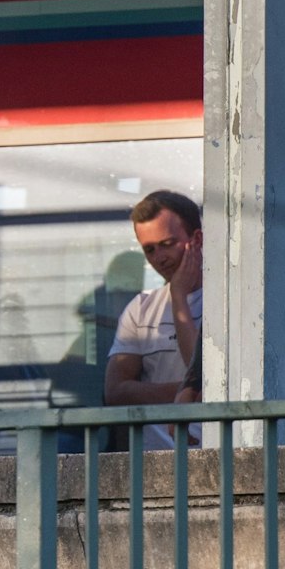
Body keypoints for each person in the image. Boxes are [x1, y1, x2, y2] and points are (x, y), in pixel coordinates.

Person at [102, 190, 204, 449]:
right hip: (154, 467)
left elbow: (204, 373)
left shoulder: (228, 303)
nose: (160, 258)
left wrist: (179, 296)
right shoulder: (140, 308)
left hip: (215, 456)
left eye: (167, 244)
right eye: (150, 250)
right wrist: (188, 392)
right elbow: (115, 391)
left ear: (197, 239)